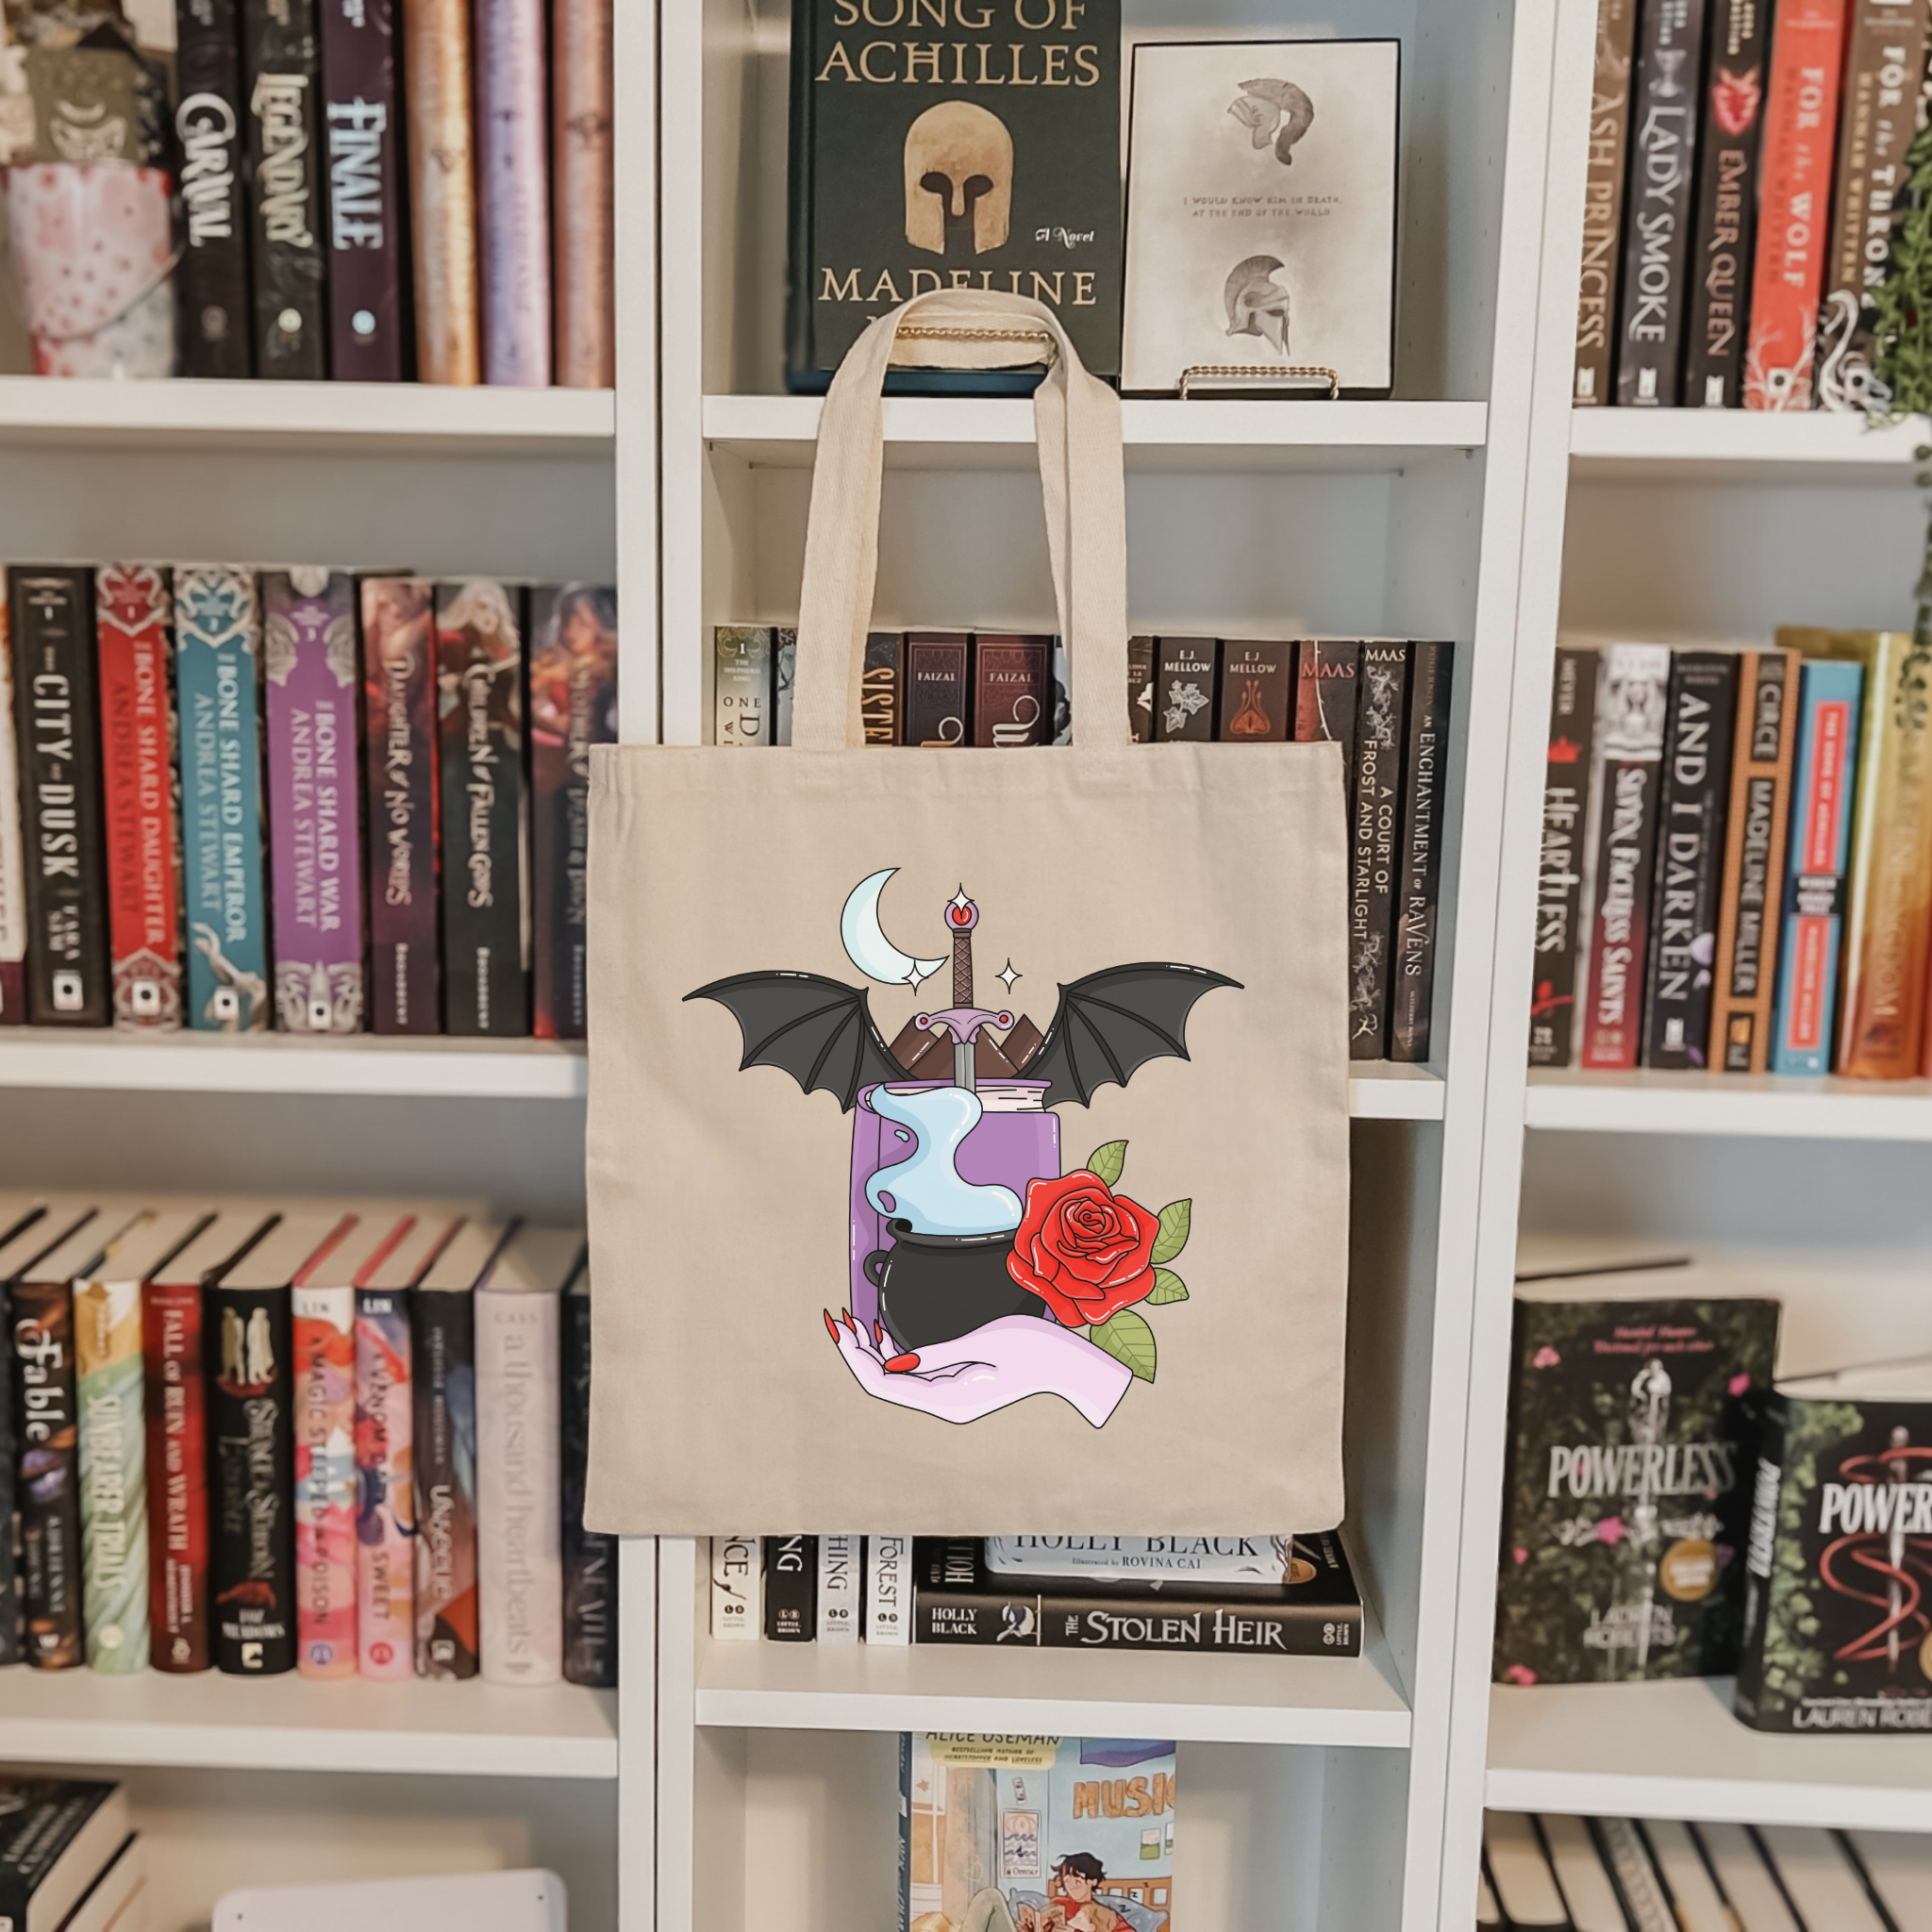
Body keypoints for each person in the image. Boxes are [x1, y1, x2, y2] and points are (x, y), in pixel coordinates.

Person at [958, 1855, 1125, 1932]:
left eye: (1077, 1881)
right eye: (1067, 1881)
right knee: (990, 1897)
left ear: (1093, 1882)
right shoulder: (1058, 1903)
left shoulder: (1106, 1915)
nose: (1071, 1886)